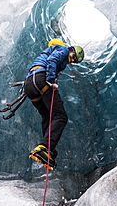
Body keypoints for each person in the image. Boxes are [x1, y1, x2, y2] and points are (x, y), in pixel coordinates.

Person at [24, 38, 84, 170]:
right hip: (41, 80)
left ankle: (46, 149)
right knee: (61, 117)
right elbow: (52, 61)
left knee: (47, 116)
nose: (73, 61)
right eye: (74, 57)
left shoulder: (48, 52)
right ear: (71, 50)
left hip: (30, 84)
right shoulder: (62, 49)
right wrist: (51, 80)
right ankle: (44, 148)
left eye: (75, 61)